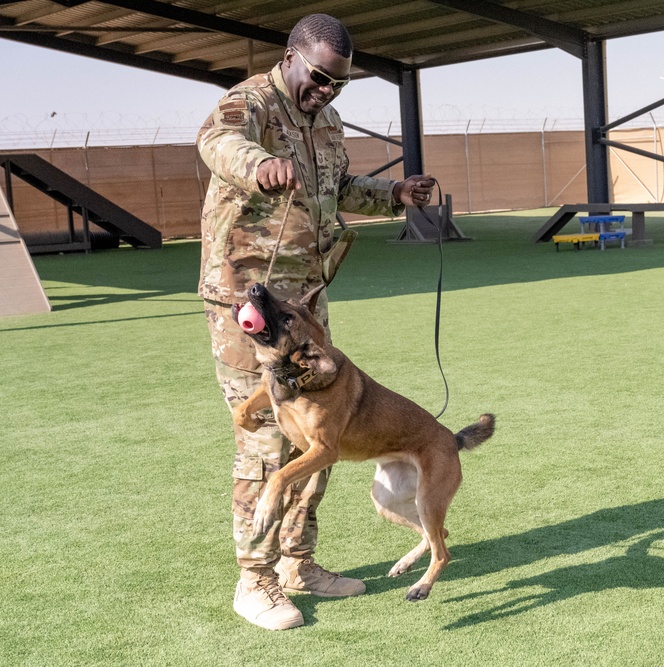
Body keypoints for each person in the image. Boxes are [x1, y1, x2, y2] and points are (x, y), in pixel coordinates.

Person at [196, 13, 436, 631]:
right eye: (320, 78)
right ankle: (255, 579)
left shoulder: (325, 121)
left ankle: (299, 563)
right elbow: (217, 143)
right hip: (248, 304)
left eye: (339, 84)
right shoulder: (248, 102)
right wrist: (258, 166)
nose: (327, 92)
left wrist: (393, 194)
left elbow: (334, 188)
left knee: (320, 436)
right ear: (292, 57)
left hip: (306, 300)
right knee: (266, 439)